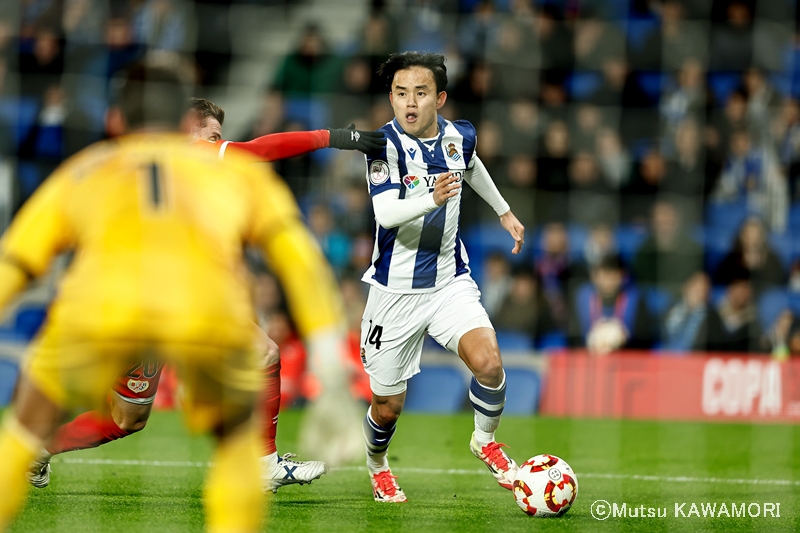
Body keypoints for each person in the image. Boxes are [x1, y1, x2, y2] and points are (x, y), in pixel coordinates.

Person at [0, 63, 347, 532]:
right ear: (186, 127)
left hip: (104, 304)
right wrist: (333, 137)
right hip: (188, 300)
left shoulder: (86, 169)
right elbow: (296, 254)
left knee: (109, 418)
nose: (220, 142)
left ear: (119, 120)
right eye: (214, 134)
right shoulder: (211, 161)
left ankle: (35, 451)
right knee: (227, 397)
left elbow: (17, 261)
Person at [360, 51, 525, 503]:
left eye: (420, 92)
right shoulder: (382, 146)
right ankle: (378, 465)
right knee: (387, 408)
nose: (410, 102)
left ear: (440, 98)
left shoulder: (460, 135)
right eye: (400, 93)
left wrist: (503, 210)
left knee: (489, 363)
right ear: (391, 99)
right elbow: (385, 212)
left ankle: (484, 440)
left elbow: (470, 165)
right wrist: (431, 199)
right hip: (395, 292)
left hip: (449, 280)